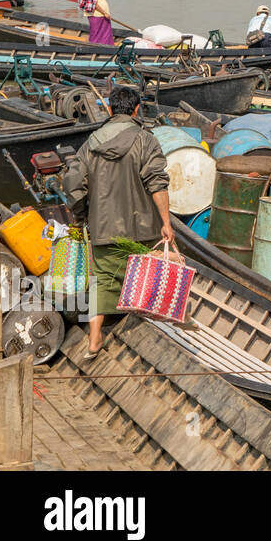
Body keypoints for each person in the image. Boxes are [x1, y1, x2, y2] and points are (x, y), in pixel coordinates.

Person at [62, 86, 174, 358]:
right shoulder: (146, 140)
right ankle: (149, 335)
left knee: (102, 280)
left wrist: (80, 216)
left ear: (111, 110)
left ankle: (94, 339)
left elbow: (74, 185)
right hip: (144, 228)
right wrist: (166, 223)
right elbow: (157, 183)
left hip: (104, 227)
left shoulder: (91, 143)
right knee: (146, 281)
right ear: (137, 110)